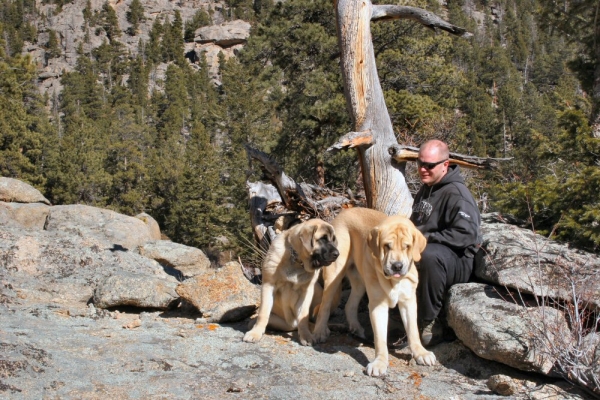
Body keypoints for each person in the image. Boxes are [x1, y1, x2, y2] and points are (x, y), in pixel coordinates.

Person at [410, 140, 481, 346]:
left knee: (430, 255)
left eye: (429, 165)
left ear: (445, 165)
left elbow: (465, 235)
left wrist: (425, 239)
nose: (423, 169)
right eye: (420, 163)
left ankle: (430, 322)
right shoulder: (427, 188)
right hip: (438, 252)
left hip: (459, 261)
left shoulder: (457, 194)